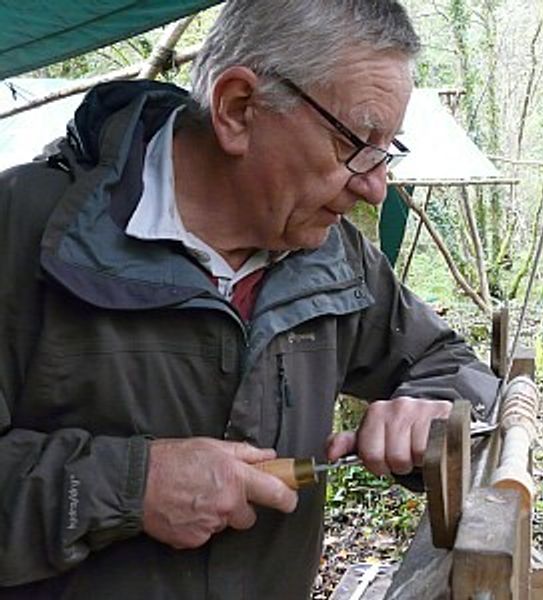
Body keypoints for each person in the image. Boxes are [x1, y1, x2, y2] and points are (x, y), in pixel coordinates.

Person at [0, 1, 498, 597]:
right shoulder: (24, 231)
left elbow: (458, 370)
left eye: (386, 151)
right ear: (238, 109)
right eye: (357, 144)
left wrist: (432, 409)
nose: (374, 187)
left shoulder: (331, 256)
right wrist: (128, 487)